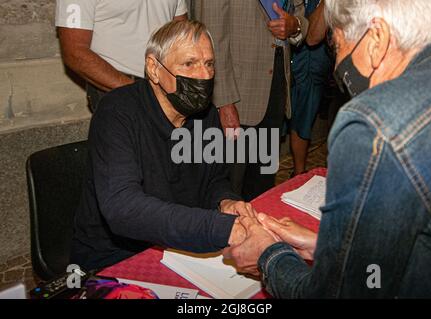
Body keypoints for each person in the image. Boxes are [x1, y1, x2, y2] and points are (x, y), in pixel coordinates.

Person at [226, 0, 431, 298]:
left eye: (339, 47)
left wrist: (269, 255)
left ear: (377, 39)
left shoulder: (373, 127)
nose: (336, 67)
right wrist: (328, 246)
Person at [71, 20, 255, 271]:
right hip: (117, 256)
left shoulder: (206, 114)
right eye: (189, 64)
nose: (203, 76)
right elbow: (123, 208)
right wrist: (221, 228)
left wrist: (226, 202)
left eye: (209, 64)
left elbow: (214, 180)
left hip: (180, 248)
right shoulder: (117, 113)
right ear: (154, 69)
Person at [194, 0, 309, 201]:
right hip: (235, 94)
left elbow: (299, 11)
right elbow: (210, 37)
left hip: (275, 90)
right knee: (227, 190)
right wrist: (223, 101)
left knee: (262, 186)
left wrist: (295, 26)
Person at [55, 0, 188, 112]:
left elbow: (182, 34)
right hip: (116, 88)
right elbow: (75, 51)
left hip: (167, 85)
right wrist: (138, 93)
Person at [289, 0, 332, 176]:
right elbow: (312, 35)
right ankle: (299, 173)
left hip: (322, 62)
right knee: (302, 116)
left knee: (305, 115)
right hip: (304, 58)